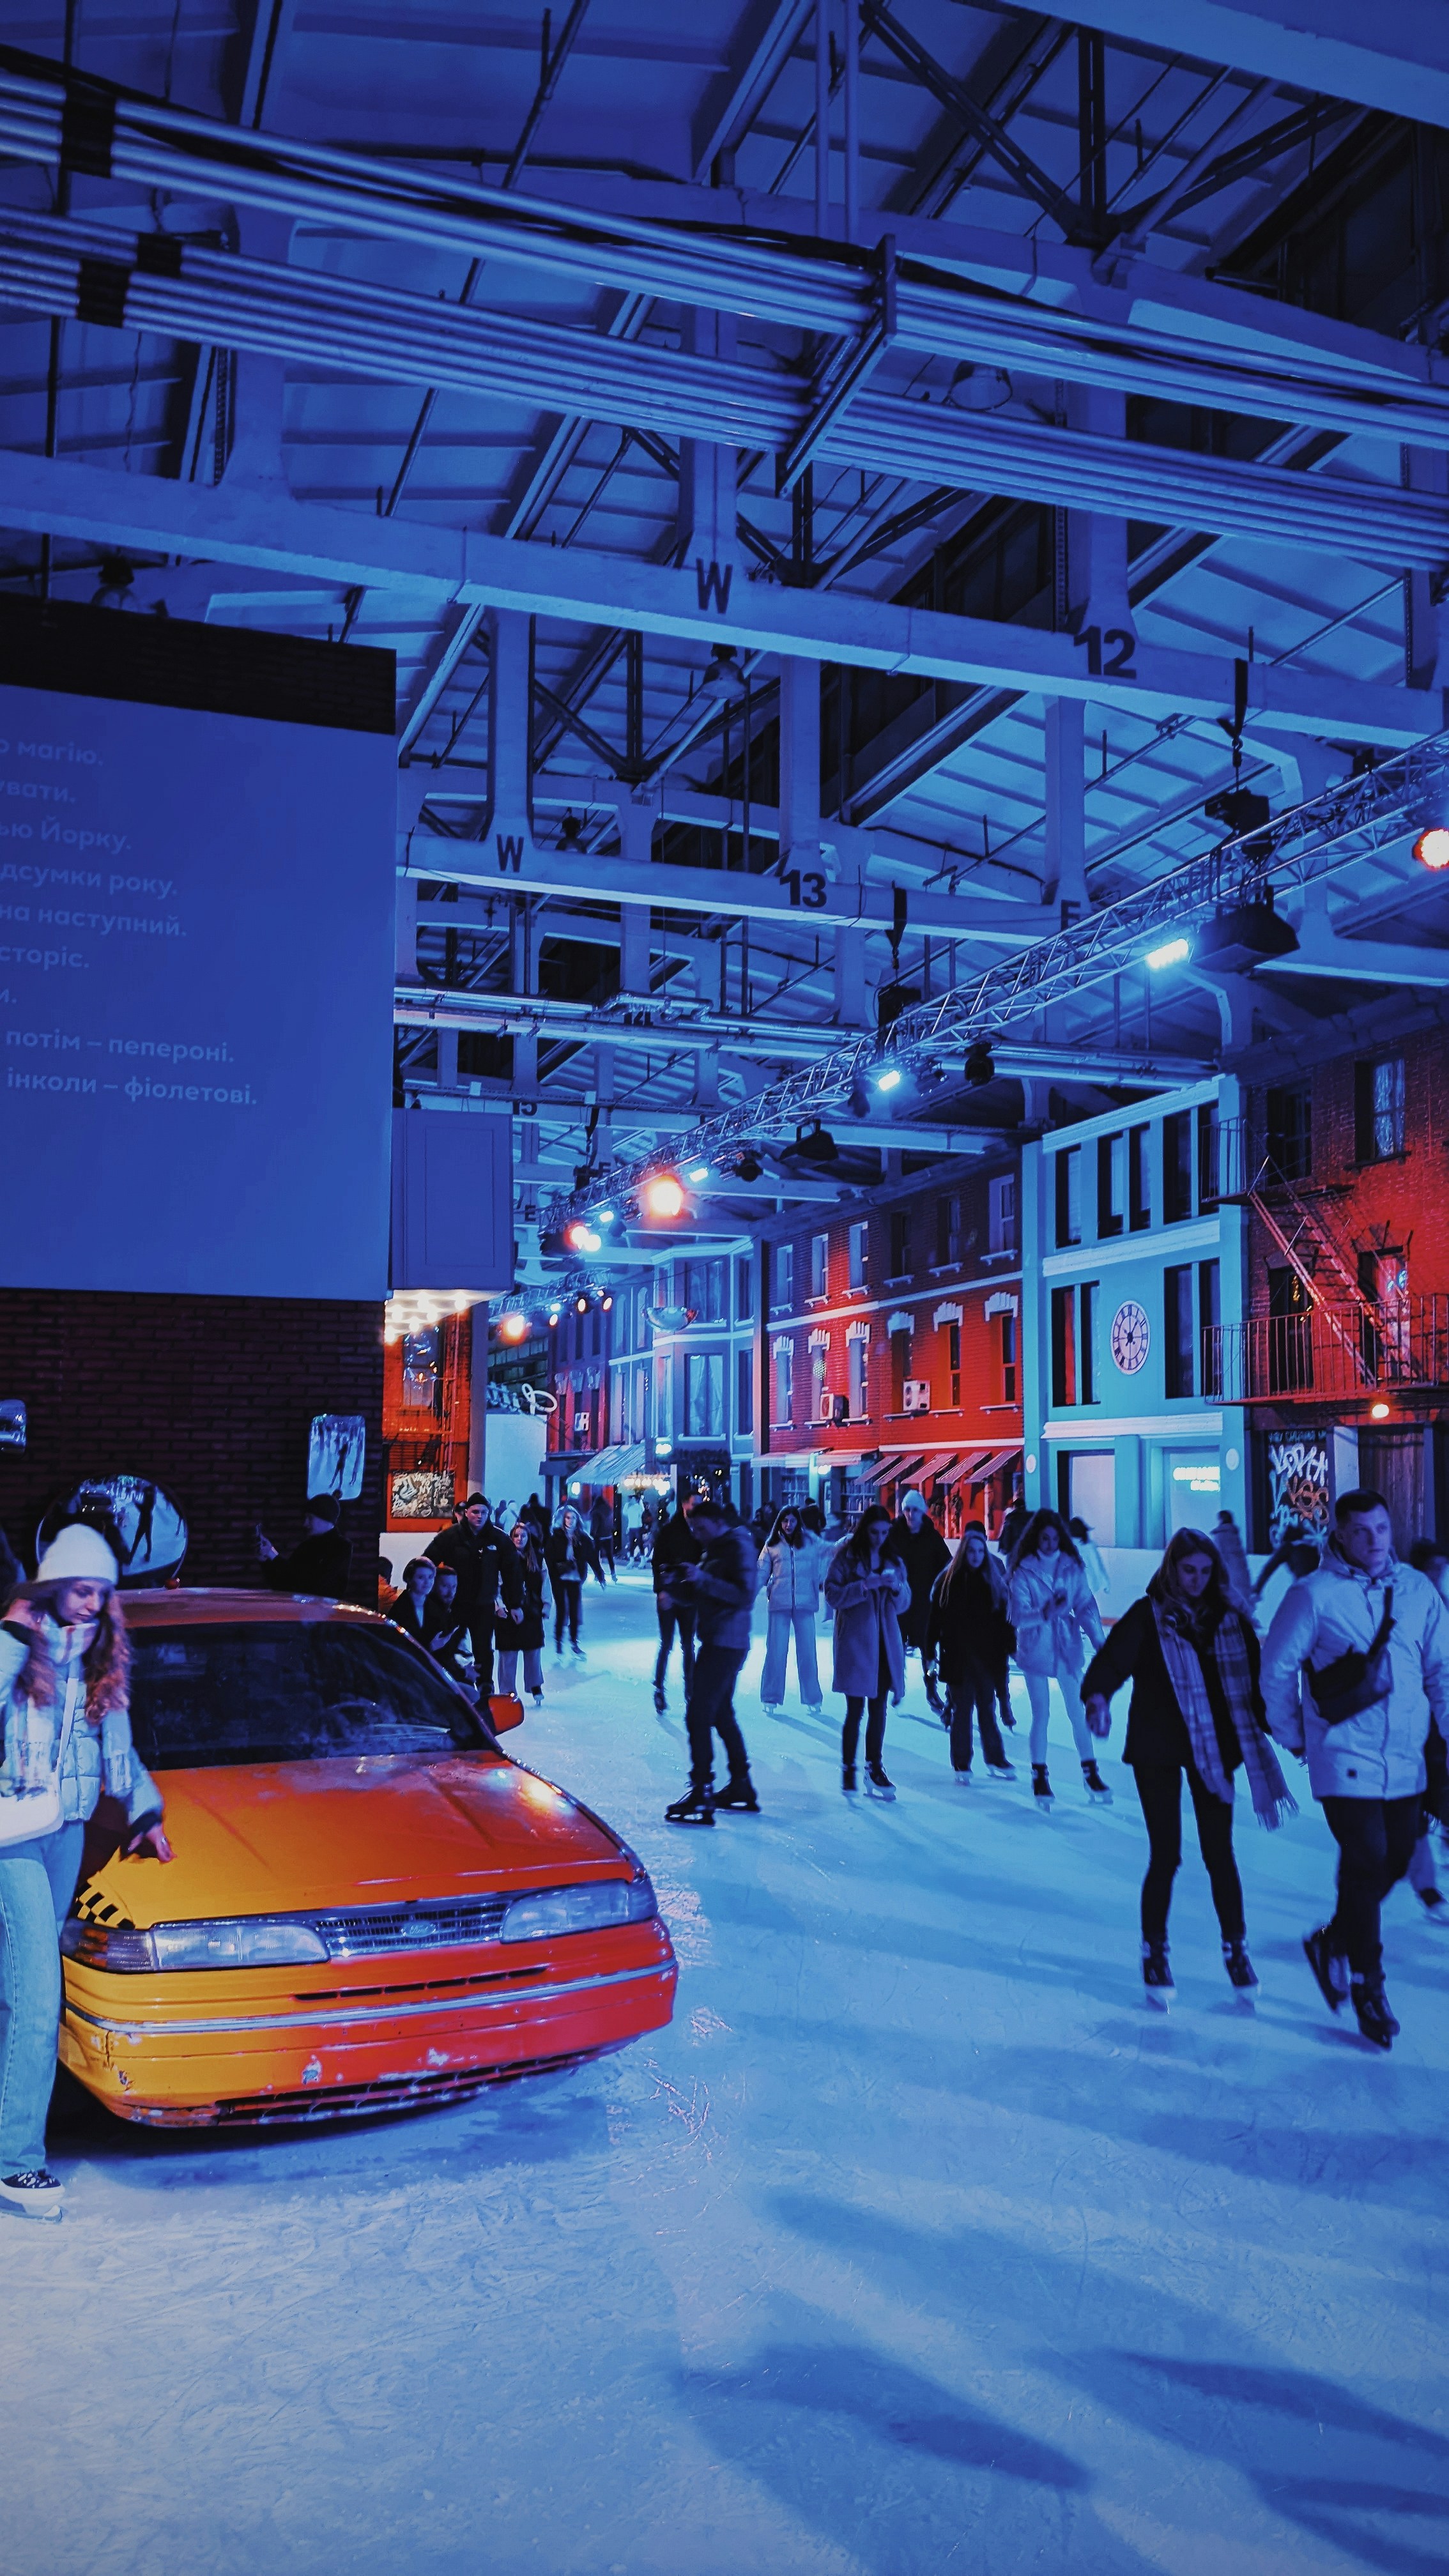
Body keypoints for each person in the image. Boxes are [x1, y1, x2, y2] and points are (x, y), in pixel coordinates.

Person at [0, 1524, 172, 2218]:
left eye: (101, 1593)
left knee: (21, 1989)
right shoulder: (18, 1643)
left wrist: (145, 1812)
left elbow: (117, 1745)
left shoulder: (100, 1657)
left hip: (63, 1833)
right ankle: (16, 2162)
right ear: (50, 1586)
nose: (91, 1603)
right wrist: (13, 1641)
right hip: (8, 1832)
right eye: (80, 1589)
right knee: (39, 1996)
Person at [1262, 1486, 1449, 2049]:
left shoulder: (1417, 1590)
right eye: (1361, 1532)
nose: (1374, 1541)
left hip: (1406, 1755)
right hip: (1343, 1753)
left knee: (1394, 1859)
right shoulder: (1312, 1595)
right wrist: (1297, 1737)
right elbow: (1276, 1672)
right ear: (1339, 1534)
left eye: (1382, 1530)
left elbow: (1442, 1669)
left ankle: (1332, 1940)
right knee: (1367, 1857)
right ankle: (1370, 1985)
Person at [1084, 1529, 1295, 2005]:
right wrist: (1098, 1695)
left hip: (1215, 1750)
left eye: (1205, 1571)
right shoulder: (1147, 1615)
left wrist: (1288, 1729)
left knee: (1220, 1853)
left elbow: (1257, 1686)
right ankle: (1154, 1952)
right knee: (1167, 1854)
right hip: (1157, 1747)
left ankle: (1236, 1948)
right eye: (1188, 1570)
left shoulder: (1232, 1620)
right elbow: (1113, 1660)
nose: (1197, 1579)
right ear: (1172, 1568)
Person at [663, 1495, 761, 1823]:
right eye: (693, 1529)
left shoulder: (738, 1545)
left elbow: (744, 1596)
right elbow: (706, 1592)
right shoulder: (717, 1547)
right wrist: (675, 1590)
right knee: (720, 1713)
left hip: (727, 1642)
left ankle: (703, 1790)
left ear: (718, 1524)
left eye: (700, 1528)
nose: (696, 1535)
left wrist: (701, 1578)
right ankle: (741, 1784)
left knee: (699, 1714)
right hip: (719, 1639)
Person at [1007, 1509, 1110, 1811]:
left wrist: (1097, 1639)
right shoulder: (1024, 1571)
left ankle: (1090, 1772)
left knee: (1077, 1712)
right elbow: (1016, 1615)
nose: (1050, 1544)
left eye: (1055, 1538)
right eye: (1045, 1538)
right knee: (1042, 1714)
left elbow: (1086, 1605)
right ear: (1036, 1538)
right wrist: (1044, 1613)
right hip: (1036, 1648)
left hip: (1066, 1647)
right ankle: (1039, 1774)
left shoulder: (1071, 1567)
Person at [825, 1505, 912, 1800]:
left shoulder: (894, 1560)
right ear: (865, 1531)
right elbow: (833, 1594)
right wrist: (864, 1585)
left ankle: (874, 1765)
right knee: (855, 1710)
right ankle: (848, 1764)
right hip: (856, 1643)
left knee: (878, 1708)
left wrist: (897, 1588)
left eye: (885, 1533)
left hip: (885, 1644)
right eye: (874, 1532)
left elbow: (904, 1603)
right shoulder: (846, 1557)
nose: (879, 1538)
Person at [926, 1524, 1016, 1782]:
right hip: (958, 1658)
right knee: (962, 1711)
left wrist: (1011, 1648)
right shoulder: (948, 1581)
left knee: (987, 1709)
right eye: (972, 1551)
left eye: (980, 1551)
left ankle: (996, 1757)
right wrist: (929, 1649)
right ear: (964, 1551)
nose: (976, 1555)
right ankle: (962, 1763)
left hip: (986, 1658)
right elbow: (935, 1619)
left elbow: (1003, 1623)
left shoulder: (993, 1583)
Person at [425, 1492, 523, 1696]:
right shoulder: (451, 1537)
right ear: (467, 1513)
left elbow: (512, 1572)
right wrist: (423, 1590)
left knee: (483, 1647)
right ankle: (450, 1680)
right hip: (454, 1603)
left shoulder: (498, 1539)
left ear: (489, 1513)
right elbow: (428, 1561)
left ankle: (485, 1684)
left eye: (484, 1512)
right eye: (475, 1512)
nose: (479, 1516)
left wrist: (515, 1604)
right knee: (449, 1643)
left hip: (484, 1603)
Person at [760, 1506, 828, 1715]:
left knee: (808, 1652)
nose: (788, 1525)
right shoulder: (771, 1545)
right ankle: (770, 1696)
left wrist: (848, 1541)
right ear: (779, 1522)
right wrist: (750, 1590)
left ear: (798, 1522)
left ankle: (812, 1697)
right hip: (779, 1603)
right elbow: (761, 1572)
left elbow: (830, 1549)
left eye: (792, 1521)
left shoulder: (809, 1542)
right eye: (785, 1521)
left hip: (805, 1603)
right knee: (776, 1651)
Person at [889, 1490, 951, 1714]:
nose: (911, 1514)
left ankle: (931, 1689)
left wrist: (937, 1588)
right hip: (898, 1603)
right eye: (907, 1509)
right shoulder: (893, 1534)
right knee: (896, 1648)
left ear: (922, 1511)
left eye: (915, 1509)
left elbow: (947, 1565)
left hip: (924, 1604)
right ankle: (897, 1686)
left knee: (928, 1652)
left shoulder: (931, 1537)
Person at [652, 1498, 702, 1713]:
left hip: (690, 1596)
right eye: (692, 1504)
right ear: (684, 1505)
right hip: (670, 1594)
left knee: (688, 1645)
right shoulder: (670, 1531)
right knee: (667, 1643)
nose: (695, 1508)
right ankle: (659, 1688)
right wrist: (662, 1590)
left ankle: (690, 1691)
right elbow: (657, 1562)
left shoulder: (701, 1531)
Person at [257, 1494, 349, 1595]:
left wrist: (273, 1555)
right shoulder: (307, 1546)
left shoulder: (342, 1548)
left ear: (325, 1518)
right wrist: (265, 1560)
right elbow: (284, 1585)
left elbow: (312, 1587)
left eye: (310, 1518)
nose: (305, 1523)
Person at [496, 1523, 546, 1705]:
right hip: (507, 1609)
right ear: (511, 1538)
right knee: (508, 1653)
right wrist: (498, 1606)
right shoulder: (503, 1559)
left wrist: (546, 1605)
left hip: (531, 1609)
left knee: (533, 1650)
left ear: (528, 1538)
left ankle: (535, 1685)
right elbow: (497, 1584)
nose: (519, 1539)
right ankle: (507, 1691)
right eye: (516, 1536)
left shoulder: (537, 1558)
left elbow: (545, 1582)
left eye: (523, 1536)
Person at [546, 1504, 601, 1656]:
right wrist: (559, 1568)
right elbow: (549, 1558)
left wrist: (600, 1574)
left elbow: (592, 1557)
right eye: (568, 1518)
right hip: (560, 1578)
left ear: (578, 1520)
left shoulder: (583, 1538)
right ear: (564, 1520)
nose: (570, 1521)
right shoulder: (556, 1537)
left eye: (573, 1518)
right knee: (562, 1610)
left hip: (575, 1579)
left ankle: (574, 1642)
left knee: (574, 1611)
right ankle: (558, 1641)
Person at [422, 1560, 475, 1692]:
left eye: (454, 1586)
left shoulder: (452, 1613)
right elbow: (440, 1657)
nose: (451, 1592)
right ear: (434, 1586)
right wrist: (464, 1673)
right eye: (445, 1586)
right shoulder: (432, 1614)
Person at [1253, 1515, 1321, 1601]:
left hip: (1304, 1587)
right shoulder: (1311, 1546)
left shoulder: (1289, 1547)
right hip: (1319, 1585)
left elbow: (1269, 1568)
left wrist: (1257, 1590)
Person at [1213, 1510, 1255, 1611]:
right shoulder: (1234, 1534)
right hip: (1242, 1575)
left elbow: (1217, 1557)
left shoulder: (1220, 1536)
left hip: (1229, 1575)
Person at [388, 1556, 436, 1643]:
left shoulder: (435, 1607)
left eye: (430, 1577)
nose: (427, 1582)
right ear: (409, 1579)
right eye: (421, 1577)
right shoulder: (400, 1608)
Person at [1069, 1517, 1111, 1607]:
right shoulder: (1087, 1546)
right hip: (1086, 1585)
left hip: (1081, 1585)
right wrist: (1105, 1583)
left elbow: (1096, 1565)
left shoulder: (1069, 1547)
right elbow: (1097, 1565)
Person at [589, 1493, 618, 1583]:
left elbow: (595, 1525)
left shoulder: (596, 1511)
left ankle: (597, 1575)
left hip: (599, 1537)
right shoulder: (609, 1509)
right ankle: (613, 1574)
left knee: (596, 1557)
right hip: (608, 1536)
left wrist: (592, 1534)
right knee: (610, 1556)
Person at [999, 1478, 1030, 1559]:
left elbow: (1005, 1545)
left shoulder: (1011, 1518)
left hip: (1015, 1557)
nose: (1019, 1492)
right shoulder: (1034, 1517)